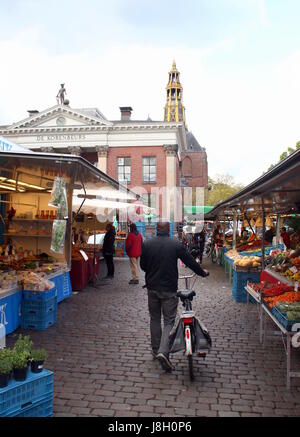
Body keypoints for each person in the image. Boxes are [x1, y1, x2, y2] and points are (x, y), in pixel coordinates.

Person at [140, 221, 209, 372]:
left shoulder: (147, 244)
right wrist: (202, 272)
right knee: (169, 321)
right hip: (169, 289)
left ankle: (156, 349)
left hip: (152, 288)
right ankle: (163, 352)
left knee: (154, 319)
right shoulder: (175, 244)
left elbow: (143, 266)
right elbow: (189, 261)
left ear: (157, 229)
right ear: (168, 230)